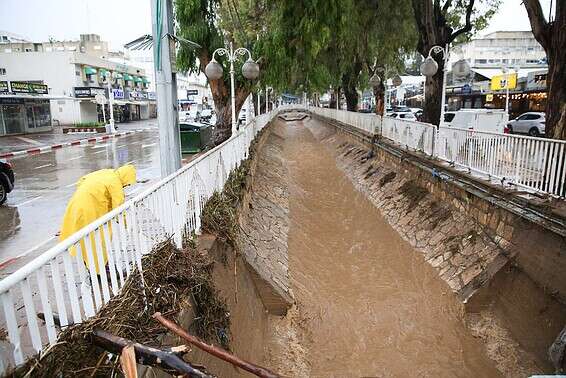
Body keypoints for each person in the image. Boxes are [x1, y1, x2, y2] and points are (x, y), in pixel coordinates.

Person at [60, 164, 136, 273]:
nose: (125, 186)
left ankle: (94, 267)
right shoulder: (115, 183)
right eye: (127, 183)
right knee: (99, 239)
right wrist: (128, 224)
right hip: (90, 208)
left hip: (76, 203)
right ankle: (101, 271)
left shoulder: (106, 173)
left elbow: (82, 181)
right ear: (125, 177)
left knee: (84, 238)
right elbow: (119, 208)